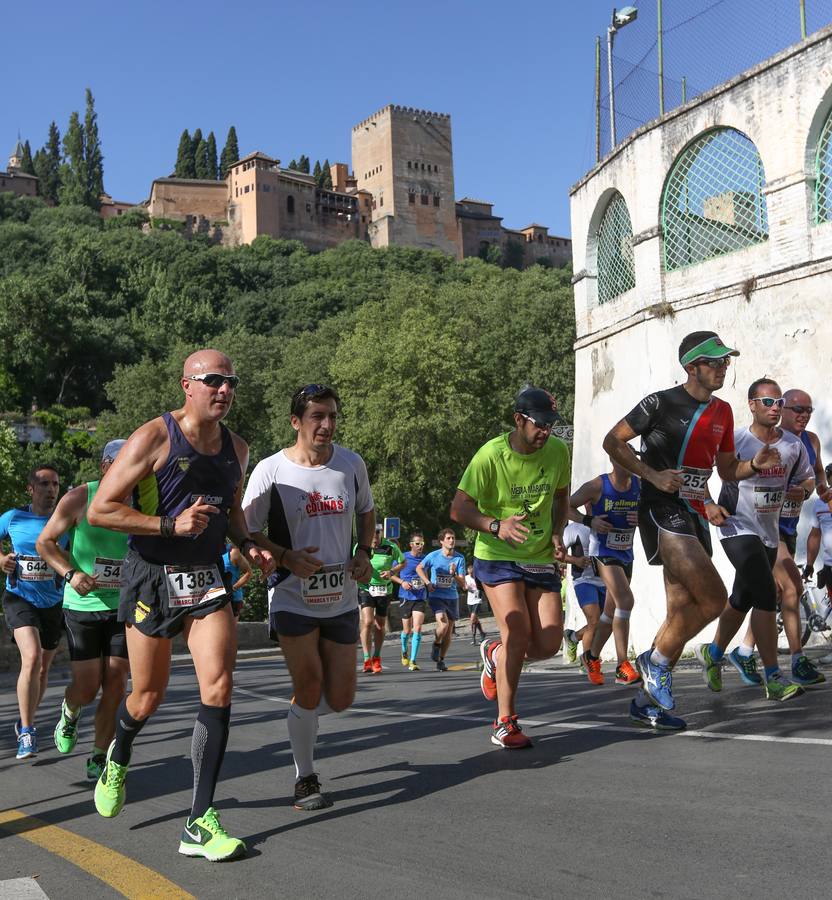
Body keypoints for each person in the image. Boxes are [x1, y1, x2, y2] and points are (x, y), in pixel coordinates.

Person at [87, 349, 274, 862]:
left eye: (231, 381)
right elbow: (102, 509)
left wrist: (249, 543)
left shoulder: (237, 446)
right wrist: (170, 525)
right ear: (186, 385)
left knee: (218, 685)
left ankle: (198, 822)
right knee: (146, 697)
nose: (224, 389)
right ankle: (118, 754)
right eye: (213, 380)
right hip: (150, 575)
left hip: (206, 578)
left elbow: (232, 513)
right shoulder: (154, 437)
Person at [602, 331, 780, 731]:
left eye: (725, 362)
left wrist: (754, 466)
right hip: (661, 507)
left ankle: (646, 703)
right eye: (715, 362)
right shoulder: (661, 403)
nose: (723, 368)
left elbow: (727, 469)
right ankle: (656, 661)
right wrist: (651, 473)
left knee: (682, 609)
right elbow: (612, 441)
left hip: (696, 511)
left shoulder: (723, 411)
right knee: (714, 597)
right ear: (691, 367)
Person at [242, 384, 374, 811]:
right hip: (291, 593)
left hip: (341, 596)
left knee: (341, 699)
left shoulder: (351, 464)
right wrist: (282, 556)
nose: (327, 425)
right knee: (308, 683)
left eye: (332, 415)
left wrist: (364, 552)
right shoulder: (270, 470)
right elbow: (245, 529)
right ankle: (306, 778)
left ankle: (303, 719)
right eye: (317, 416)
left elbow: (367, 512)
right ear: (296, 422)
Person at [451, 385, 570, 749]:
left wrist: (558, 532)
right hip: (497, 554)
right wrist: (495, 525)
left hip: (537, 555)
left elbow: (561, 495)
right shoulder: (490, 455)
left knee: (549, 643)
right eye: (539, 424)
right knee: (517, 631)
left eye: (551, 424)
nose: (545, 432)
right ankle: (505, 722)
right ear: (518, 420)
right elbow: (458, 510)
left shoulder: (558, 451)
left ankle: (495, 653)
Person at [693, 378, 812, 701]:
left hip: (768, 531)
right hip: (736, 526)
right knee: (766, 591)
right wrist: (707, 503)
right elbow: (700, 470)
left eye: (779, 404)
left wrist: (806, 489)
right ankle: (773, 677)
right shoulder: (737, 440)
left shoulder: (792, 445)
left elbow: (806, 478)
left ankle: (714, 652)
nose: (775, 409)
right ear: (752, 405)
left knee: (743, 597)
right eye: (768, 403)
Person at [36, 440, 131, 780]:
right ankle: (71, 710)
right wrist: (71, 574)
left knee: (117, 682)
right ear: (105, 466)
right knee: (88, 686)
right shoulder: (79, 497)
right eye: (121, 463)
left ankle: (99, 755)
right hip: (84, 605)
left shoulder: (145, 502)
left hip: (124, 606)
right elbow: (45, 542)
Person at [750, 388, 831, 685]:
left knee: (763, 595)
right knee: (792, 588)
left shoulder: (810, 441)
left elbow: (817, 473)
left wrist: (818, 489)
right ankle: (797, 660)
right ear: (783, 410)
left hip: (788, 526)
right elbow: (751, 481)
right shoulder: (769, 440)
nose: (804, 415)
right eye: (797, 409)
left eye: (808, 410)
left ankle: (739, 651)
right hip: (763, 527)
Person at [0, 465, 64, 760]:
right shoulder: (14, 518)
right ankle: (27, 731)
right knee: (33, 656)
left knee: (42, 669)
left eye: (55, 484)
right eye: (44, 484)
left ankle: (26, 720)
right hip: (19, 598)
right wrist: (1, 559)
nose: (51, 489)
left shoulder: (64, 521)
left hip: (53, 603)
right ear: (31, 489)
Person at [568, 460, 641, 686]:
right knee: (626, 601)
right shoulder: (598, 485)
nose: (628, 461)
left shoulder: (640, 484)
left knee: (609, 614)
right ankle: (622, 665)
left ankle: (591, 656)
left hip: (626, 552)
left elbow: (653, 509)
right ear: (613, 459)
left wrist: (642, 517)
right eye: (622, 456)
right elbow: (565, 505)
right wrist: (589, 520)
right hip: (604, 552)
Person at [416, 529, 466, 671]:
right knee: (442, 624)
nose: (452, 540)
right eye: (449, 538)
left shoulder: (459, 558)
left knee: (449, 631)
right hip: (436, 595)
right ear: (442, 541)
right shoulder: (433, 556)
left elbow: (463, 584)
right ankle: (437, 643)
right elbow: (419, 568)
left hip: (452, 597)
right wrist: (427, 582)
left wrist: (454, 574)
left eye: (453, 538)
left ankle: (441, 660)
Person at [356, 527, 403, 674]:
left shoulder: (390, 547)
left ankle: (376, 656)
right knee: (368, 621)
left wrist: (391, 572)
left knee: (380, 624)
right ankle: (366, 659)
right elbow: (353, 562)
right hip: (366, 587)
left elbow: (403, 562)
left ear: (380, 534)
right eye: (373, 533)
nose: (375, 537)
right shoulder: (359, 547)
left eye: (377, 533)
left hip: (384, 589)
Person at [560, 521, 606, 664]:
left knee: (603, 623)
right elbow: (555, 553)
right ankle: (590, 662)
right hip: (584, 581)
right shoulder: (574, 528)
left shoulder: (607, 523)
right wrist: (575, 560)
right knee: (594, 621)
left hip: (605, 581)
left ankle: (573, 637)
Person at [390, 531, 428, 670]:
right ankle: (404, 650)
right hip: (405, 596)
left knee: (417, 628)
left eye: (422, 543)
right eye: (417, 543)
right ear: (411, 544)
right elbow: (391, 574)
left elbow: (428, 574)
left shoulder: (425, 559)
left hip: (420, 597)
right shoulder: (403, 557)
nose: (420, 546)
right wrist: (402, 582)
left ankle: (413, 660)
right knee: (407, 630)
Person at [222, 542, 252, 617]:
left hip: (233, 599)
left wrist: (233, 588)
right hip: (212, 598)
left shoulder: (233, 551)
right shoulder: (209, 551)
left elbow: (248, 573)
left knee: (228, 628)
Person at [464, 564, 487, 644]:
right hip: (469, 600)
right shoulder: (466, 578)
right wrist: (465, 587)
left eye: (472, 573)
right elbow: (464, 586)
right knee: (475, 619)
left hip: (477, 600)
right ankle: (482, 633)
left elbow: (483, 586)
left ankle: (473, 638)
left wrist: (479, 592)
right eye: (469, 573)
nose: (471, 575)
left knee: (472, 618)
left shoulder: (478, 578)